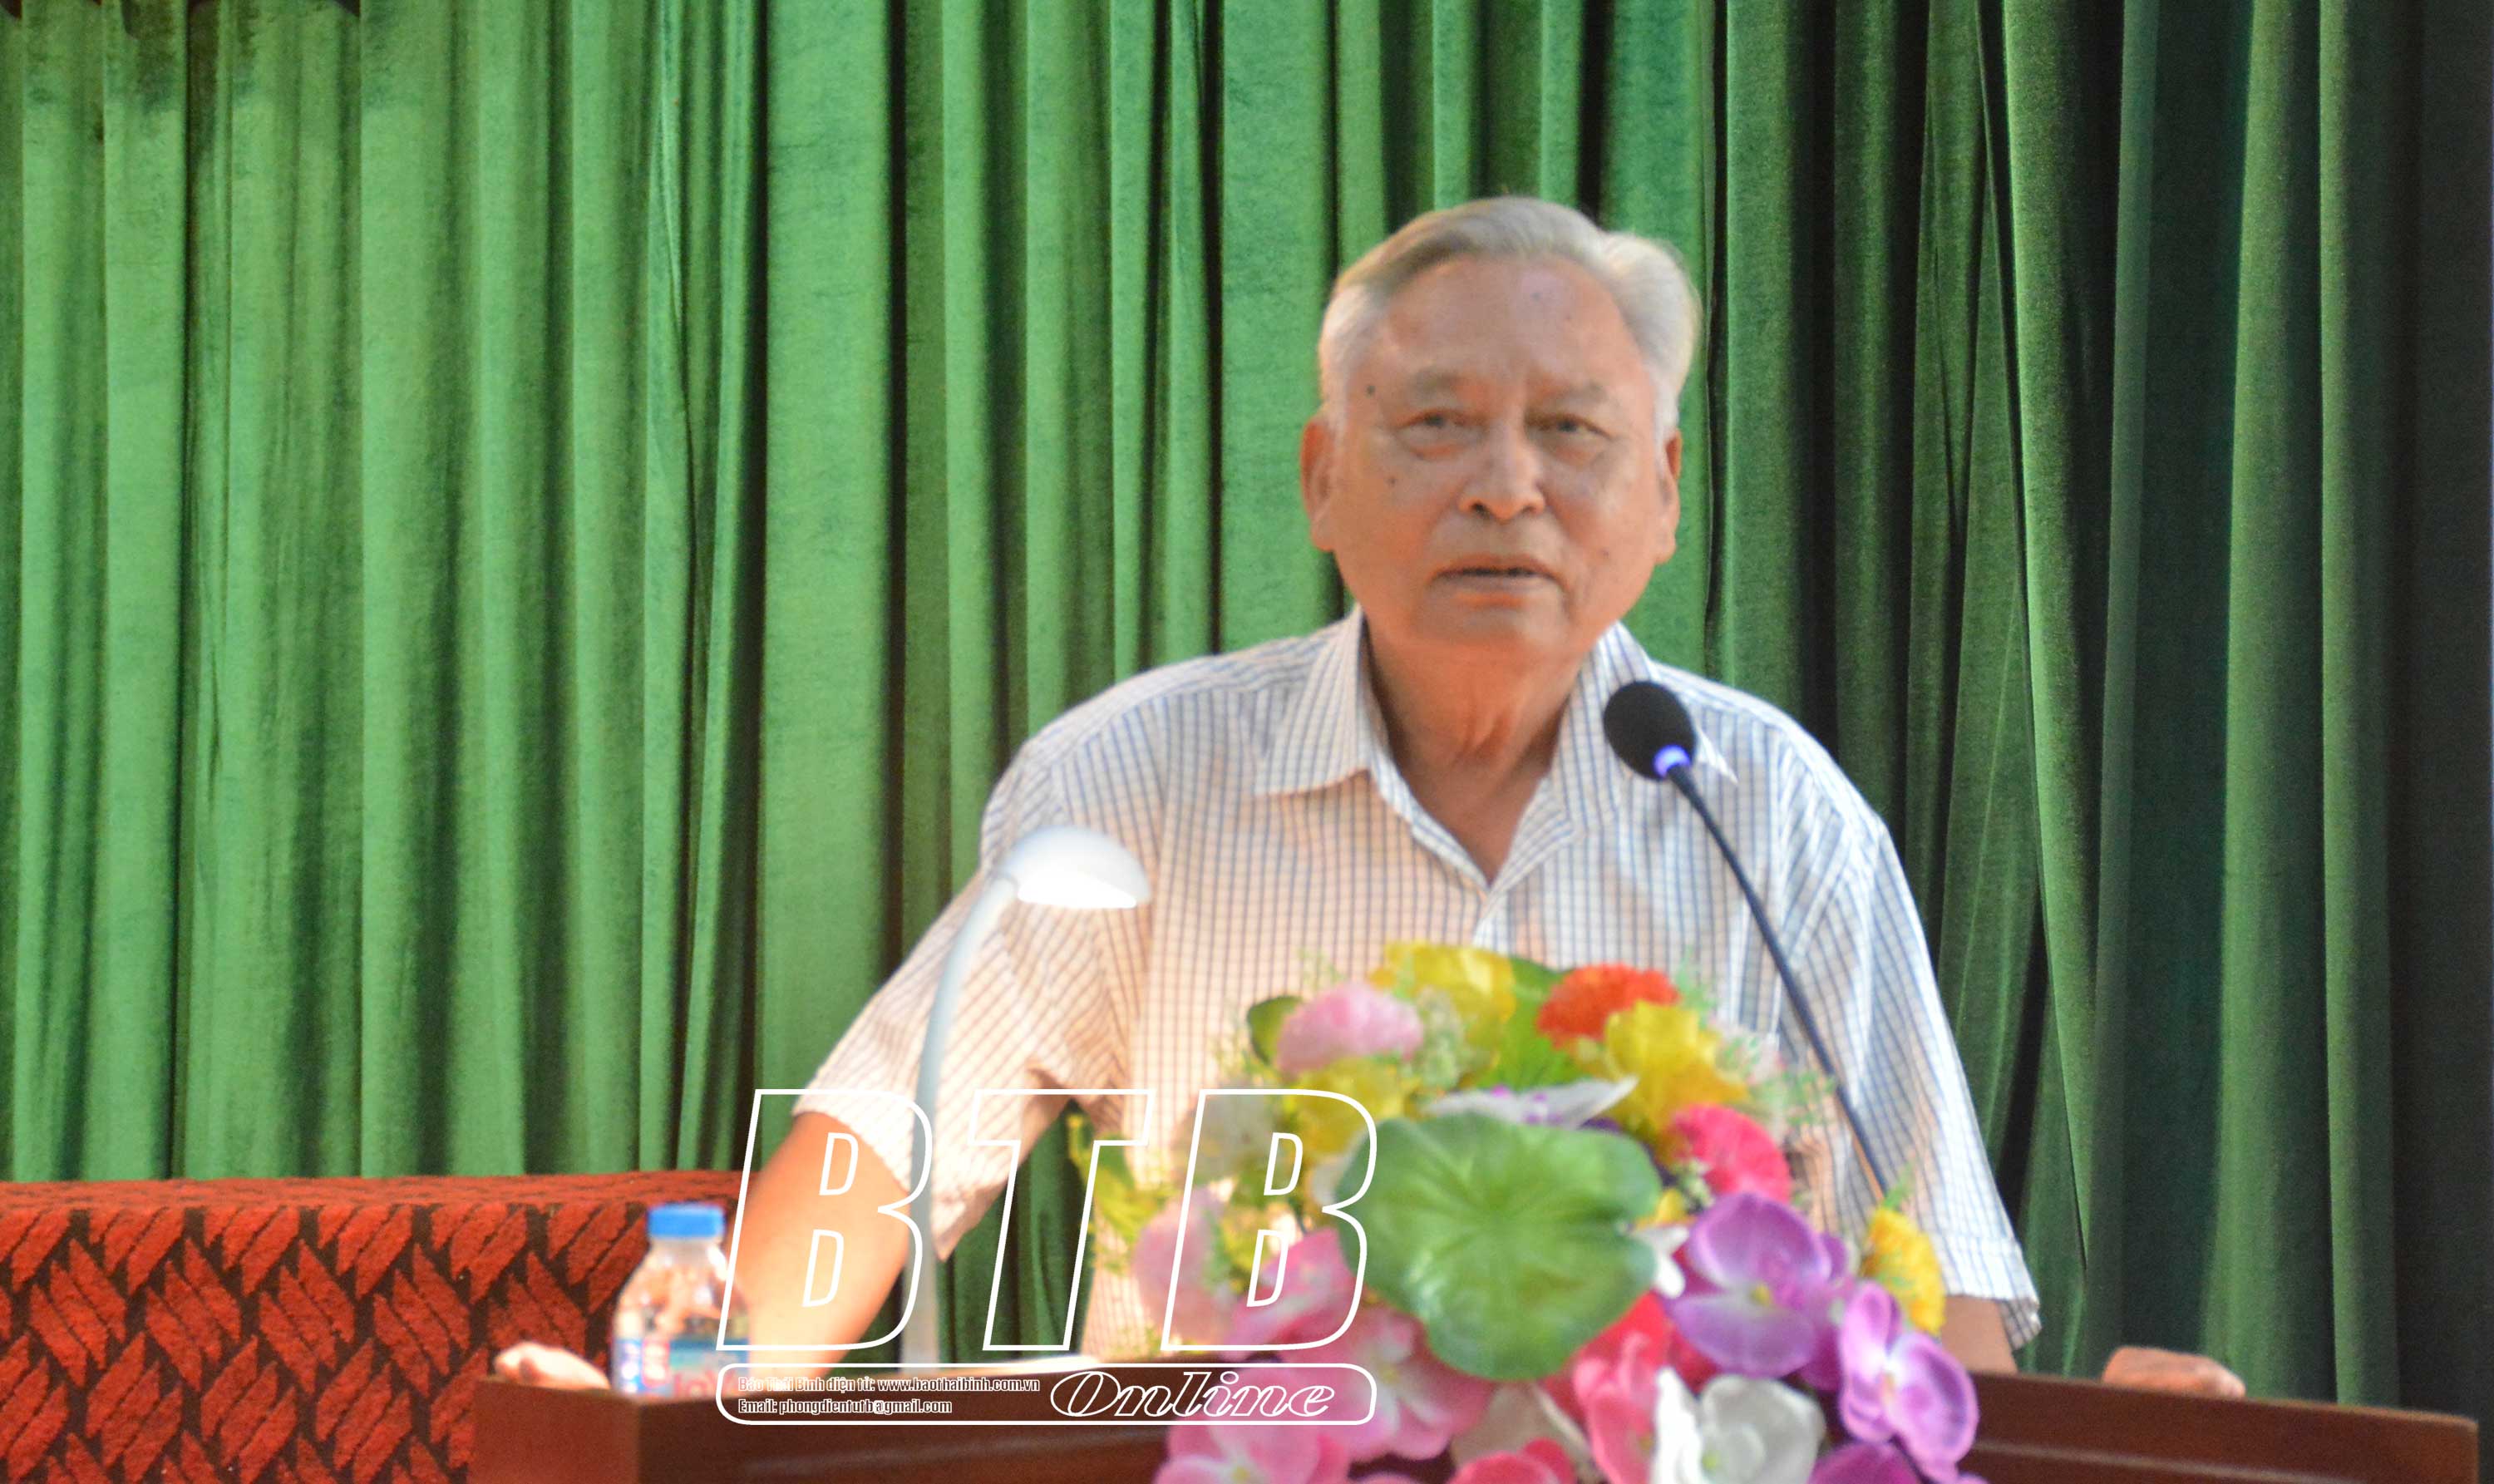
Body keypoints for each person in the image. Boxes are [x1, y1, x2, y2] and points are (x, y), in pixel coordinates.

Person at [500, 196, 2237, 1398]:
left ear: (1664, 494)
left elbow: (1927, 1297)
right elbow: (889, 1142)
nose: (1506, 487)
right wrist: (698, 1392)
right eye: (1436, 426)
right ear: (1325, 478)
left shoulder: (1768, 814)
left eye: (1571, 432)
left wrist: (2113, 1448)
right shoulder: (1142, 782)